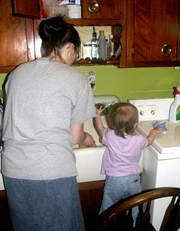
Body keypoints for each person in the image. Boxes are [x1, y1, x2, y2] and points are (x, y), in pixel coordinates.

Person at [2, 15, 96, 231]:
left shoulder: (15, 74)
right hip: (50, 171)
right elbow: (75, 137)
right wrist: (86, 136)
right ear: (70, 47)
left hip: (13, 171)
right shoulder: (77, 79)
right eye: (76, 54)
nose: (75, 59)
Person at [93, 102, 163, 226]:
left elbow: (99, 128)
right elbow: (150, 141)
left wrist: (97, 116)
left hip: (115, 180)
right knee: (134, 204)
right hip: (134, 180)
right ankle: (134, 223)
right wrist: (153, 132)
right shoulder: (139, 139)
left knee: (108, 206)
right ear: (135, 125)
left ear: (112, 124)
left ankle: (104, 224)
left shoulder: (109, 136)